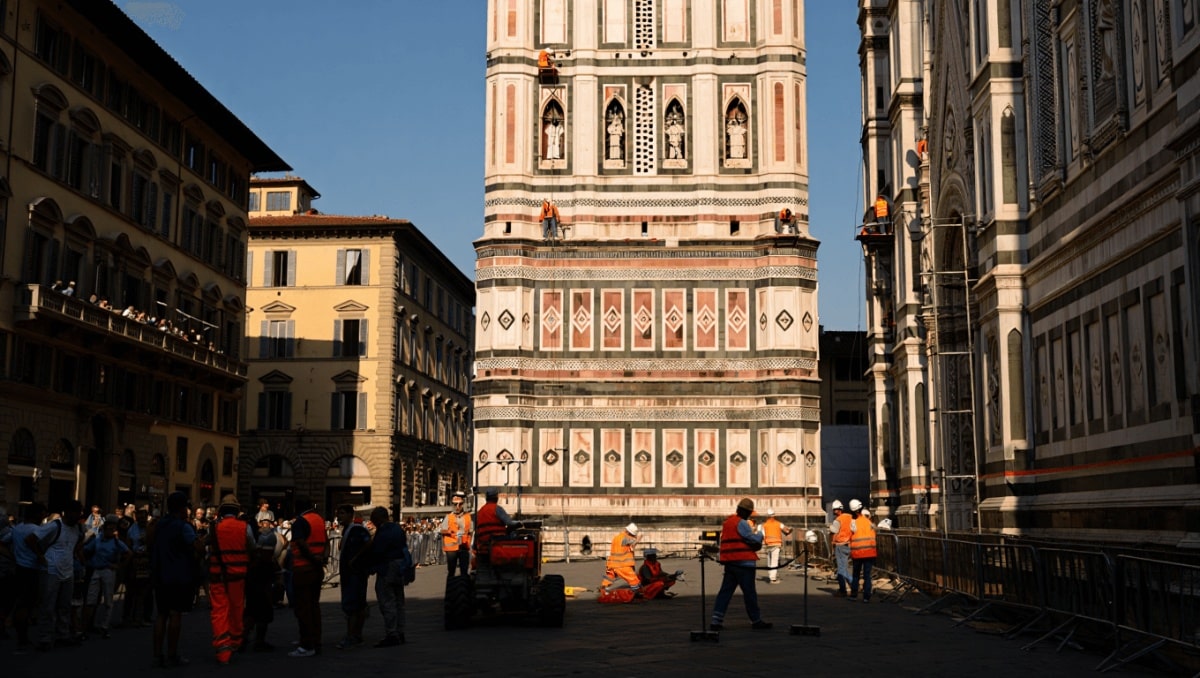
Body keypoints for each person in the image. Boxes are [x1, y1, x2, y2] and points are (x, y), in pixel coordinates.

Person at [151, 491, 199, 667]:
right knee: (175, 613)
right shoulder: (183, 526)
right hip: (178, 576)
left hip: (160, 574)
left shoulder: (159, 524)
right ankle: (172, 654)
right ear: (182, 508)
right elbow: (197, 546)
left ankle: (157, 654)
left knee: (161, 615)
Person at [710, 497, 772, 631]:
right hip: (744, 564)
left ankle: (716, 620)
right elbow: (750, 538)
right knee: (749, 593)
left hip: (730, 562)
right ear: (746, 512)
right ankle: (756, 620)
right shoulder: (742, 523)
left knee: (725, 592)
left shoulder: (728, 523)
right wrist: (760, 535)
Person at [206, 495, 254, 665]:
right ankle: (234, 642)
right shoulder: (244, 527)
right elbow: (252, 548)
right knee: (236, 609)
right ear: (237, 511)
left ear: (221, 511)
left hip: (217, 575)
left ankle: (222, 649)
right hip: (237, 576)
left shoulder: (213, 527)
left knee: (219, 611)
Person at [36, 500, 84, 650]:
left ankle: (62, 634)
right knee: (48, 606)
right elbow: (32, 539)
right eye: (76, 513)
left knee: (64, 606)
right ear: (68, 512)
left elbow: (77, 544)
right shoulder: (54, 525)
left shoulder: (77, 529)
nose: (78, 516)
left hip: (68, 571)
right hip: (52, 571)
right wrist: (41, 557)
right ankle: (45, 638)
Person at [287, 499, 326, 657]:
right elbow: (327, 542)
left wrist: (312, 558)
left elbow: (301, 543)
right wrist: (322, 558)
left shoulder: (300, 522)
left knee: (303, 608)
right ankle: (315, 639)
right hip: (316, 569)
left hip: (303, 569)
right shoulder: (319, 520)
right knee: (314, 606)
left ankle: (306, 644)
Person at [368, 506, 411, 648]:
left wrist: (371, 567)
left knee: (387, 601)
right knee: (399, 601)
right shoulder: (398, 529)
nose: (372, 522)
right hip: (400, 566)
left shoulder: (384, 531)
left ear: (379, 518)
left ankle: (391, 633)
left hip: (388, 567)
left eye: (374, 519)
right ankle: (400, 631)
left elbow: (378, 551)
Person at [8, 502, 48, 653]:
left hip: (19, 567)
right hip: (31, 569)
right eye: (43, 513)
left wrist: (13, 556)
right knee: (27, 604)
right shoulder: (37, 530)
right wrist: (39, 555)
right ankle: (23, 637)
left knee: (23, 603)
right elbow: (35, 544)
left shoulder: (17, 528)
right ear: (37, 514)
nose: (45, 516)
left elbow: (5, 543)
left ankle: (21, 634)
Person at [82, 515, 130, 638]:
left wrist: (119, 565)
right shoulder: (97, 539)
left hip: (108, 570)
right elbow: (85, 549)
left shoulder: (116, 542)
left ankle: (104, 626)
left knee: (108, 599)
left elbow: (128, 553)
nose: (110, 529)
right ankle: (85, 627)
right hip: (96, 570)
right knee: (91, 599)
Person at [335, 504, 371, 650]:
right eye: (338, 513)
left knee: (353, 605)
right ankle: (356, 635)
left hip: (355, 574)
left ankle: (352, 636)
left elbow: (368, 543)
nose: (339, 516)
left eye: (342, 513)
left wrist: (355, 559)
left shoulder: (357, 529)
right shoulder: (347, 530)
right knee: (355, 605)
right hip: (349, 574)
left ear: (351, 515)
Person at [244, 515, 282, 652]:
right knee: (261, 615)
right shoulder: (266, 560)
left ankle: (243, 639)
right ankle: (257, 641)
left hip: (253, 584)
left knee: (251, 613)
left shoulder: (255, 557)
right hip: (261, 587)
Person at [473, 488, 519, 566]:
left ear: (486, 498)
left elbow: (476, 530)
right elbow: (509, 523)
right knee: (515, 535)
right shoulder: (497, 509)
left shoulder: (479, 512)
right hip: (497, 542)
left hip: (483, 545)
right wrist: (519, 523)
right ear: (496, 498)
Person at [599, 523, 641, 600]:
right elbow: (632, 545)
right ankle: (635, 594)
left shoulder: (617, 537)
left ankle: (603, 591)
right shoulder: (625, 538)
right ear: (629, 532)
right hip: (622, 564)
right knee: (634, 580)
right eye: (632, 534)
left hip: (612, 563)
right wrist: (638, 539)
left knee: (609, 578)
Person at [848, 499, 878, 603]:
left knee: (856, 575)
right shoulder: (869, 522)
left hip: (858, 554)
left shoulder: (853, 523)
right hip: (870, 553)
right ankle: (866, 597)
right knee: (867, 576)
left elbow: (849, 536)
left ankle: (854, 595)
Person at [438, 492, 471, 579]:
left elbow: (471, 531)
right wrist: (450, 532)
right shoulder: (448, 517)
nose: (457, 507)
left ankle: (464, 590)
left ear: (463, 504)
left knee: (464, 571)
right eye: (455, 504)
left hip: (464, 547)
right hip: (452, 548)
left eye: (460, 504)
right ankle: (450, 589)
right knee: (451, 571)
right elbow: (442, 530)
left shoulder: (468, 516)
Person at [760, 508, 793, 584]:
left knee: (769, 560)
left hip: (768, 544)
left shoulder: (764, 525)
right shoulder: (778, 523)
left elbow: (763, 534)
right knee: (774, 561)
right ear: (774, 515)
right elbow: (787, 530)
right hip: (776, 544)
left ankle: (770, 575)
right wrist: (790, 530)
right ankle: (773, 578)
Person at [829, 499, 852, 597]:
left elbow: (833, 531)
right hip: (848, 544)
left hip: (840, 545)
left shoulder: (838, 520)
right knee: (844, 568)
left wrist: (830, 528)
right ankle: (853, 585)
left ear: (838, 510)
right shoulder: (850, 517)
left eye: (835, 510)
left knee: (841, 570)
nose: (834, 512)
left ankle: (843, 590)